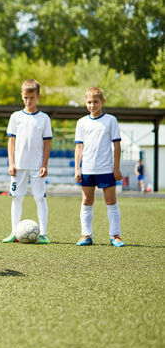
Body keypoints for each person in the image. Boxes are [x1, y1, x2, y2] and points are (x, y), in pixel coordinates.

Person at [3, 79, 52, 244]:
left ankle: (44, 233)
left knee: (40, 198)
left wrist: (44, 164)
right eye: (25, 97)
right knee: (17, 198)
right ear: (22, 97)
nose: (28, 101)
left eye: (31, 97)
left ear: (38, 97)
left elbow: (47, 142)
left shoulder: (44, 118)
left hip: (37, 166)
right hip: (19, 166)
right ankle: (14, 232)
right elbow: (11, 141)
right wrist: (11, 163)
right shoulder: (15, 117)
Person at [74, 87, 125, 247]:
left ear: (102, 102)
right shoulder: (81, 122)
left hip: (106, 169)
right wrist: (77, 168)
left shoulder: (110, 120)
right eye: (89, 102)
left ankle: (115, 235)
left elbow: (117, 146)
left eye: (95, 102)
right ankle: (86, 235)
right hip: (87, 170)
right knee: (87, 201)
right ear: (86, 103)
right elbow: (79, 147)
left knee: (111, 201)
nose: (92, 105)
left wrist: (116, 168)